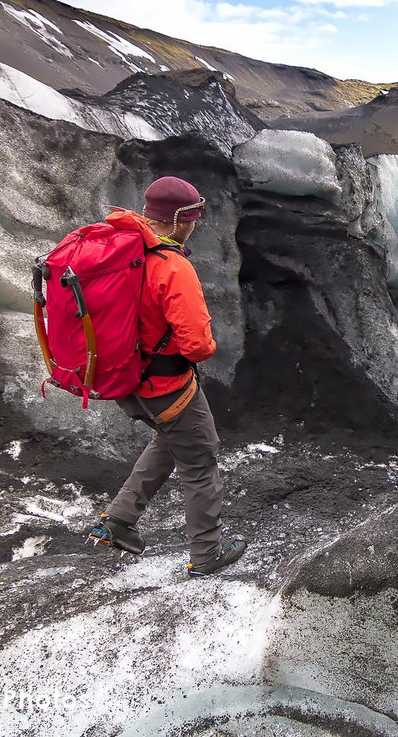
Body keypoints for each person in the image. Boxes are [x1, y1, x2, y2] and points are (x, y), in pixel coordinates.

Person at [86, 176, 247, 577]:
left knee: (169, 438)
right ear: (179, 221)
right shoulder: (171, 267)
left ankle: (118, 521)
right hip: (167, 386)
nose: (194, 225)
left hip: (125, 381)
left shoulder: (117, 247)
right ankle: (208, 553)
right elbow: (197, 346)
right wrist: (208, 338)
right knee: (199, 458)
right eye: (192, 218)